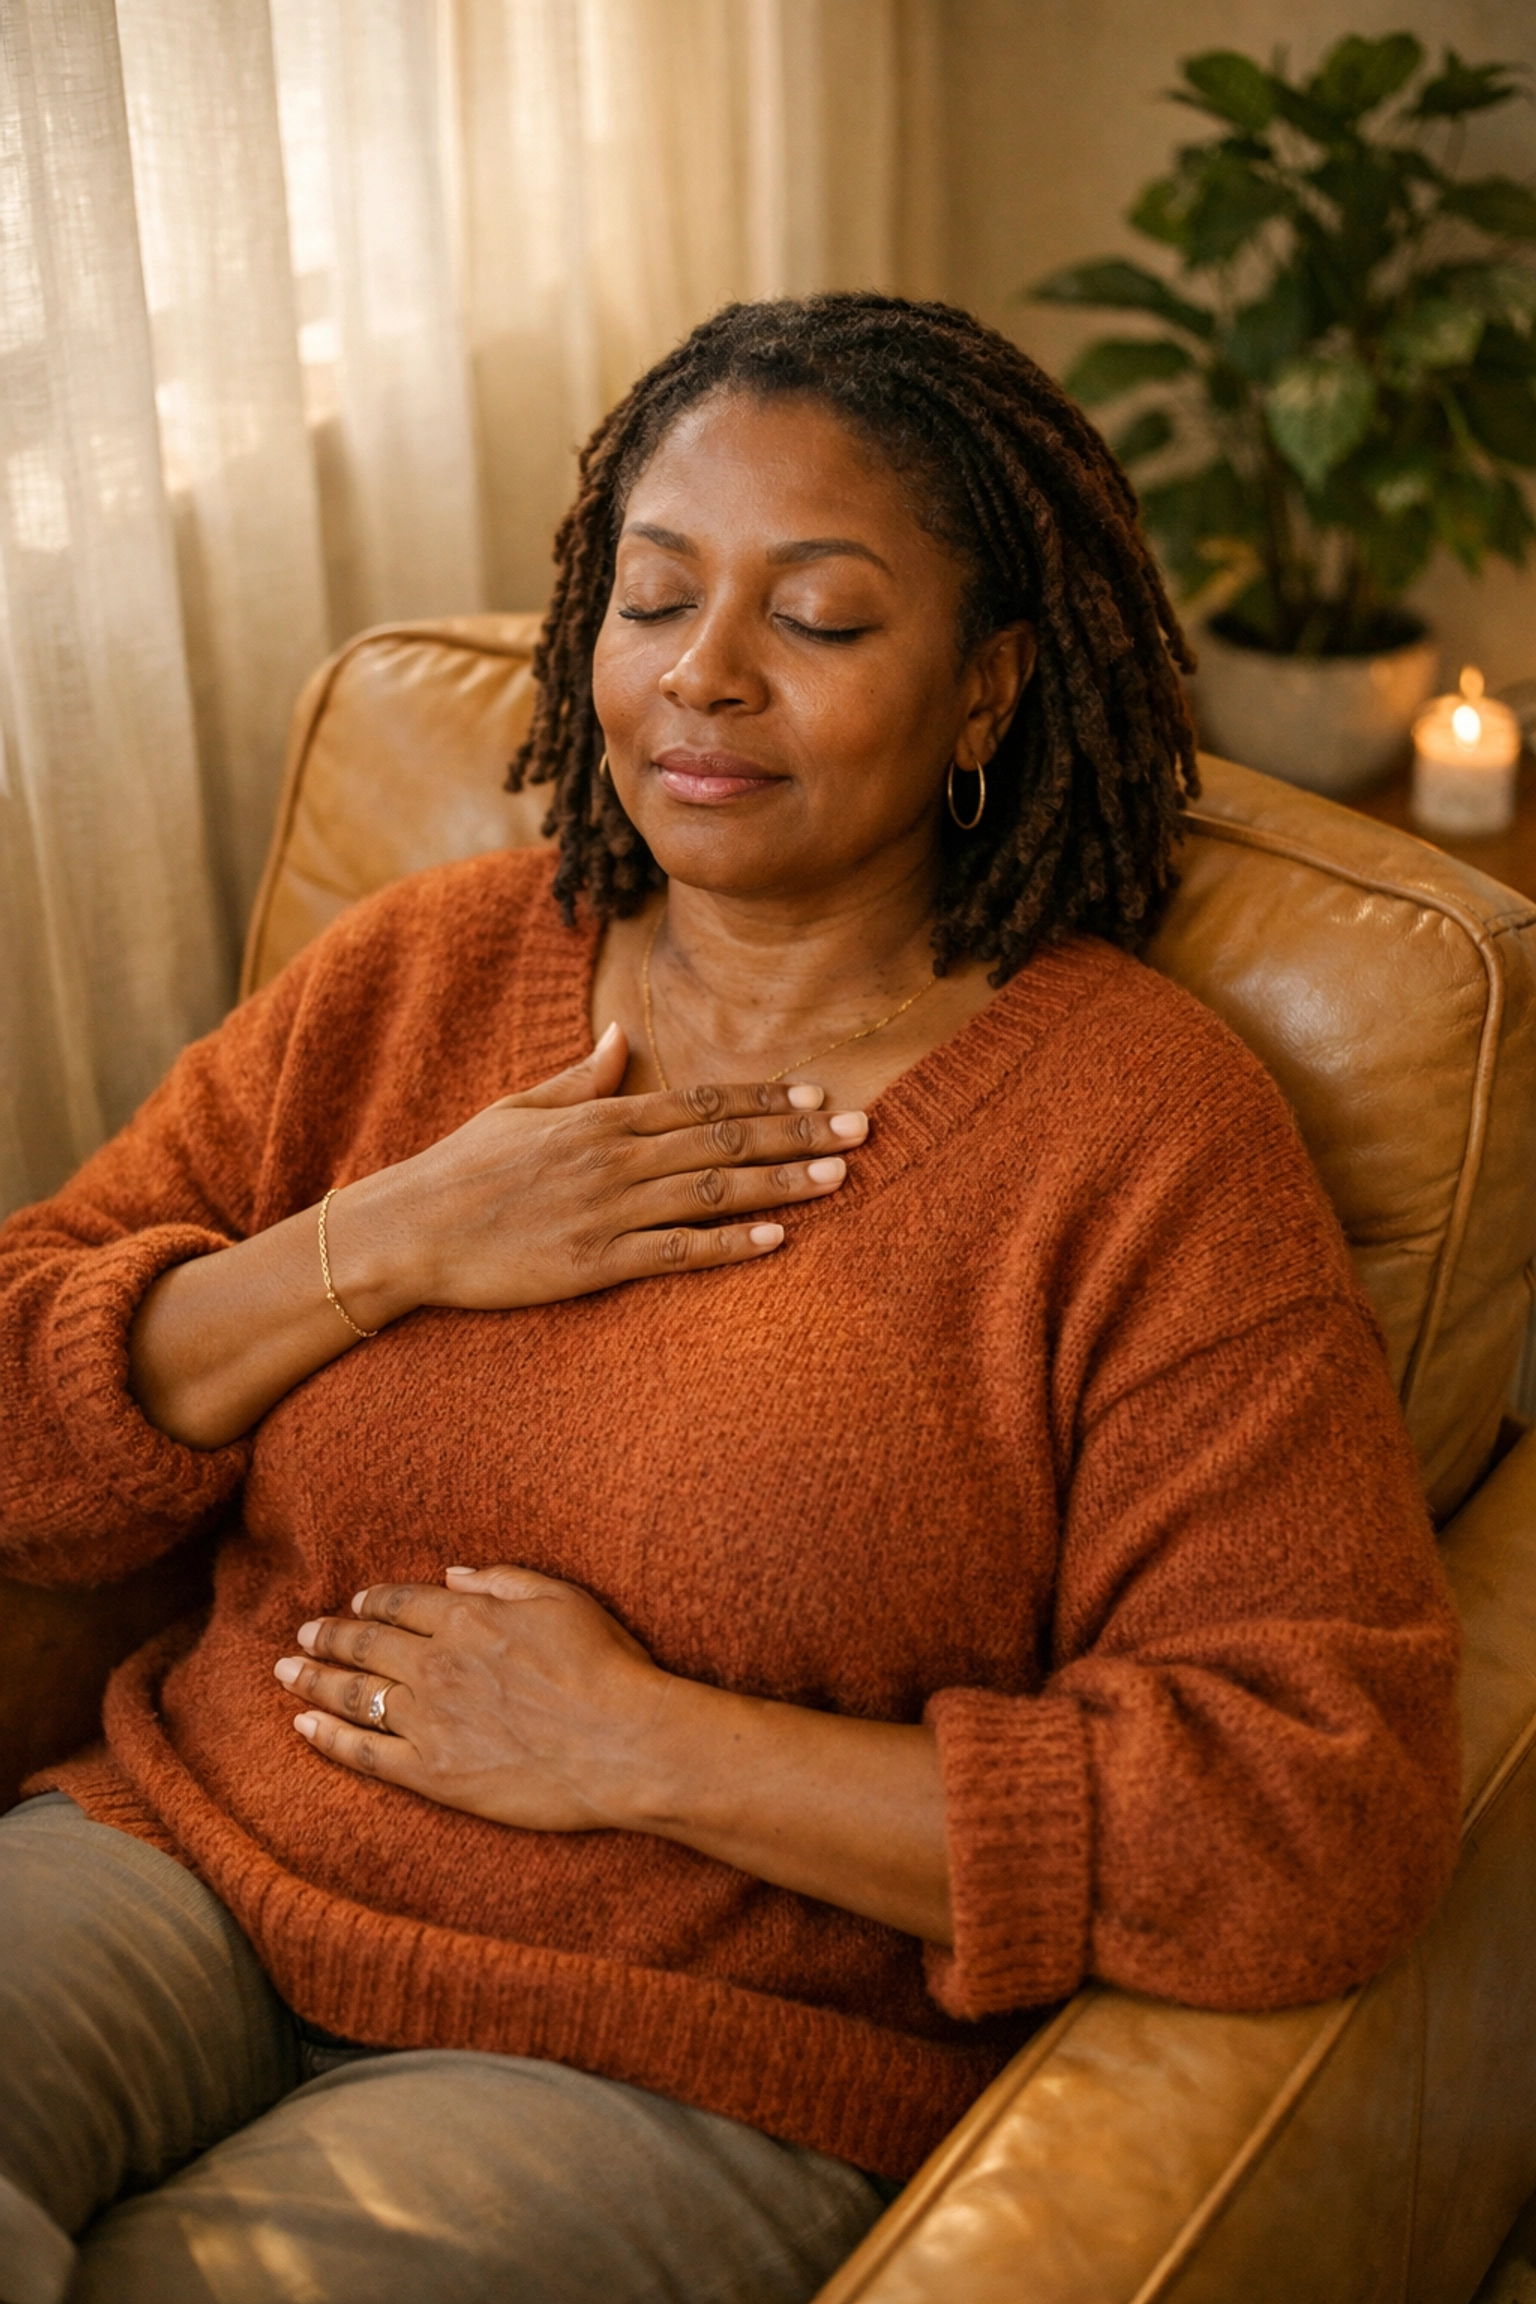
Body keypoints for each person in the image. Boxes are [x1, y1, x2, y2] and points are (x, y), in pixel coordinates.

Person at [0, 293, 1459, 2304]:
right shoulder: (421, 974)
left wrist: (646, 1750)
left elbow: (1313, 1811)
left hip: (670, 2063)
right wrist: (383, 1246)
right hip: (178, 1862)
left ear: (985, 690)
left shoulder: (1139, 1137)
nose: (703, 677)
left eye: (824, 623)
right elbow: (22, 1430)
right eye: (653, 595)